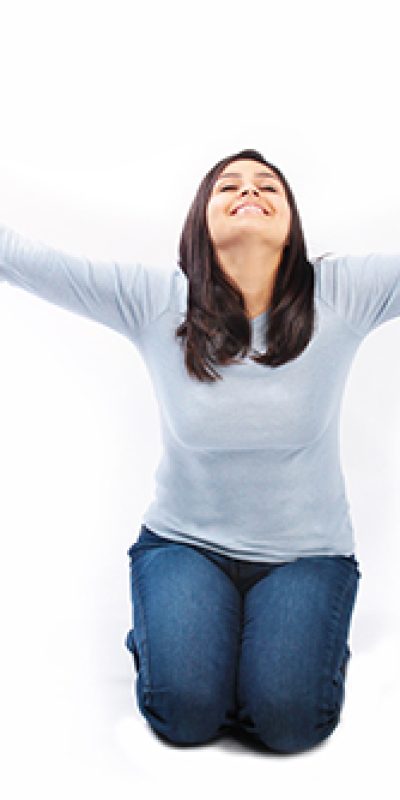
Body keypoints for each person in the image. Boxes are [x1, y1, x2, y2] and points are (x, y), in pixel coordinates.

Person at [0, 148, 399, 755]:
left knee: (291, 723)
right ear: (200, 220)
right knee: (183, 716)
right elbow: (33, 262)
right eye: (228, 187)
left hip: (308, 556)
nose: (250, 191)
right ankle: (177, 639)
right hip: (185, 545)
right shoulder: (159, 297)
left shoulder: (342, 292)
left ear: (291, 224)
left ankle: (284, 644)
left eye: (269, 186)